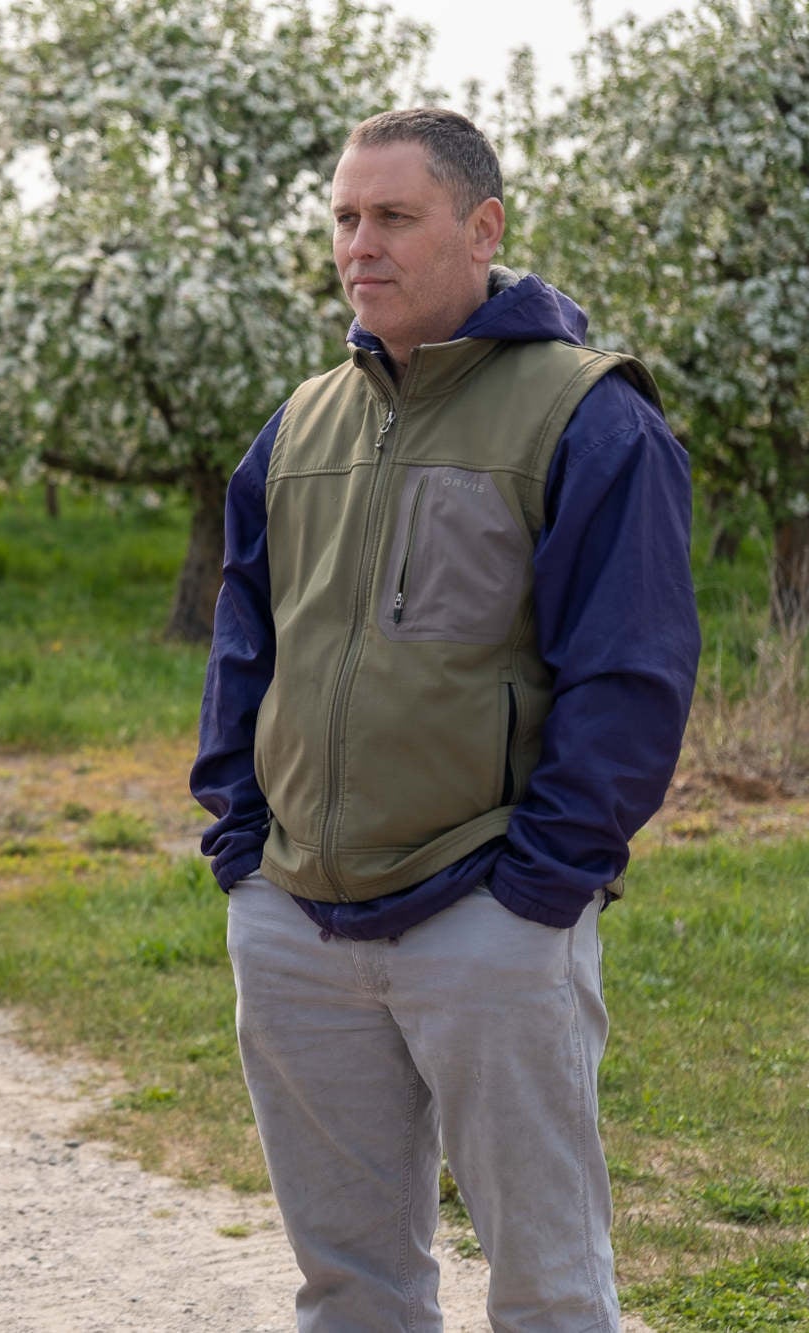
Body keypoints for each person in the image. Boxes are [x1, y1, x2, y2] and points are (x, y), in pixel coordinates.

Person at [190, 108, 700, 1330]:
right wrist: (240, 847)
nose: (358, 246)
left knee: (547, 1290)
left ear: (482, 229)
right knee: (349, 1287)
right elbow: (244, 641)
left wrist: (539, 890)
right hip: (296, 918)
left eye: (393, 217)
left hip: (487, 915)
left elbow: (630, 678)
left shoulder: (591, 417)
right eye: (343, 219)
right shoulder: (300, 422)